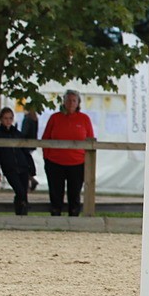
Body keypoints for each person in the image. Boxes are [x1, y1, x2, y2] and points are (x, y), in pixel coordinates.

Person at [42, 89, 94, 217]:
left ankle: (74, 219)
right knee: (55, 193)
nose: (71, 103)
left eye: (74, 100)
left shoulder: (84, 119)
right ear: (63, 102)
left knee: (74, 193)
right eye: (68, 100)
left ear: (78, 103)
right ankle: (55, 218)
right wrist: (47, 157)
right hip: (55, 162)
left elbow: (91, 140)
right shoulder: (55, 118)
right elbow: (45, 138)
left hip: (77, 163)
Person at [0, 107, 32, 215]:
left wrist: (31, 167)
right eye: (5, 118)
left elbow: (25, 152)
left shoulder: (17, 133)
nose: (8, 121)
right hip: (9, 168)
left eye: (10, 118)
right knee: (20, 191)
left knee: (23, 193)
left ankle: (22, 214)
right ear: (1, 119)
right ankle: (20, 212)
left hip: (22, 167)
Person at [20, 107, 40, 191]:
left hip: (25, 144)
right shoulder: (35, 119)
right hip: (31, 144)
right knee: (26, 163)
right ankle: (30, 181)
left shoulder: (27, 119)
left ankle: (29, 181)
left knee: (23, 165)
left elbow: (24, 132)